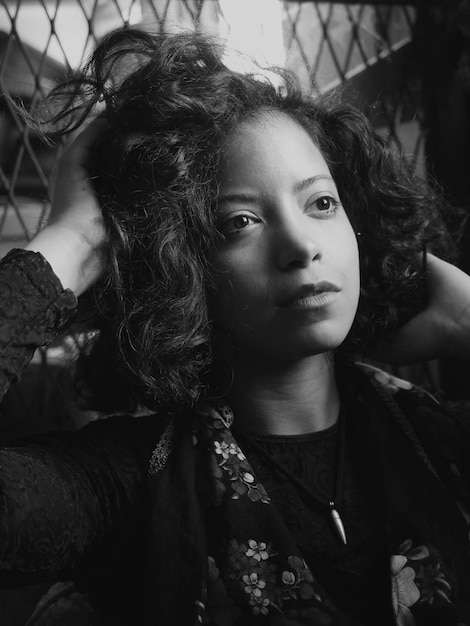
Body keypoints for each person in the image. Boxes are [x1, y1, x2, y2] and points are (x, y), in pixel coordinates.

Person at [1, 26, 470, 626]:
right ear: (179, 267)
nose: (301, 245)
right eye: (241, 220)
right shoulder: (129, 489)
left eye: (321, 203)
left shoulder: (442, 442)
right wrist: (76, 241)